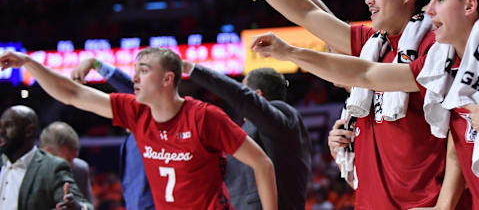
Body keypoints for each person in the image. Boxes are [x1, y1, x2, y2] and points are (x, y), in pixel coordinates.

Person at [250, 0, 479, 209]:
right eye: (431, 0)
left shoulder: (438, 55)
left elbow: (361, 68)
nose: (431, 10)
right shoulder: (389, 48)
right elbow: (320, 25)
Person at [185, 0, 462, 209]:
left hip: (425, 202)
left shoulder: (435, 49)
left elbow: (361, 73)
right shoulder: (373, 43)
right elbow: (308, 15)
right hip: (372, 200)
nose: (369, 1)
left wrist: (291, 52)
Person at [0, 48, 278, 210]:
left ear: (168, 79)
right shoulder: (135, 112)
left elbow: (263, 163)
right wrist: (29, 63)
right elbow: (72, 93)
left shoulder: (204, 117)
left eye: (143, 70)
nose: (134, 77)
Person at [182, 61, 312, 210]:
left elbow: (241, 96)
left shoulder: (284, 119)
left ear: (256, 96)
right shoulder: (261, 130)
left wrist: (192, 69)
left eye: (243, 88)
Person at [72, 57, 155, 210]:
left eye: (142, 74)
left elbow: (127, 86)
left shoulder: (154, 114)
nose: (137, 80)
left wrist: (96, 65)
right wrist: (94, 64)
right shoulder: (132, 138)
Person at [0, 105, 93, 210]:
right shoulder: (2, 163)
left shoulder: (54, 167)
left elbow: (85, 206)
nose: (1, 131)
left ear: (29, 131)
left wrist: (78, 207)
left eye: (9, 126)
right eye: (1, 126)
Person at [39, 121, 94, 204]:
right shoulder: (26, 172)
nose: (71, 166)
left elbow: (88, 206)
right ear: (47, 152)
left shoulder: (80, 170)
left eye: (74, 158)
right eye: (67, 160)